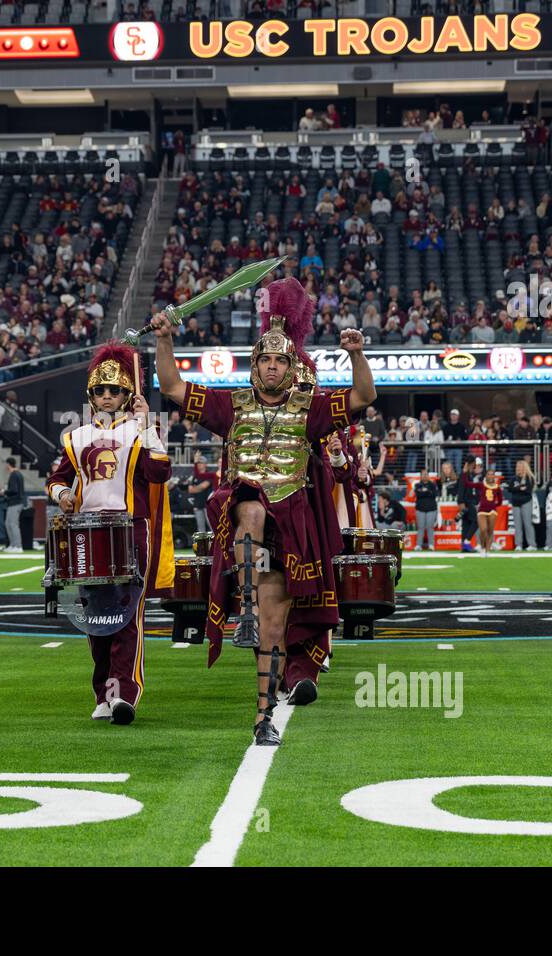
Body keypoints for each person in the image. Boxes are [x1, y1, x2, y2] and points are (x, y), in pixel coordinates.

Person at [152, 276, 375, 746]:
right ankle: (245, 607)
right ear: (254, 366)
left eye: (279, 360)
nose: (272, 367)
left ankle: (263, 717)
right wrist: (165, 340)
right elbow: (170, 386)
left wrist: (356, 355)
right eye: (265, 360)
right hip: (245, 517)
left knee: (275, 627)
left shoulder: (309, 408)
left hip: (290, 527)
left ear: (291, 367)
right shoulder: (228, 405)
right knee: (249, 505)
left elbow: (362, 399)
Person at [44, 343, 174, 726]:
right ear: (91, 395)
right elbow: (56, 480)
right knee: (96, 618)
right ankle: (103, 692)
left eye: (114, 390)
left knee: (127, 615)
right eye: (100, 391)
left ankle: (125, 694)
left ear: (127, 394)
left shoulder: (142, 429)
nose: (107, 397)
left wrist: (149, 427)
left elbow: (160, 473)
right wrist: (64, 494)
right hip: (87, 533)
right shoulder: (77, 435)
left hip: (130, 529)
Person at [508, 459, 537, 551]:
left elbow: (528, 490)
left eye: (520, 467)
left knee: (527, 523)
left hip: (526, 502)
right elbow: (510, 488)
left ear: (524, 468)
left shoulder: (529, 478)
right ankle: (518, 545)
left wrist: (517, 488)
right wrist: (520, 488)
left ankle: (532, 544)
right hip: (515, 503)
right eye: (517, 467)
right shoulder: (514, 478)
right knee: (517, 525)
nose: (518, 469)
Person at [0, 457, 26, 552]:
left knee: (13, 524)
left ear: (8, 464)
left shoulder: (14, 474)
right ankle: (12, 545)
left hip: (16, 503)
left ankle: (18, 546)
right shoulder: (18, 474)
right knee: (8, 523)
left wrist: (4, 492)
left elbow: (14, 490)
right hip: (14, 503)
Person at [476, 470, 503, 554]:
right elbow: (470, 485)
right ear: (486, 476)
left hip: (492, 510)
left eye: (492, 475)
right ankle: (482, 546)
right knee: (483, 529)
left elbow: (500, 500)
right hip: (482, 510)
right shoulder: (481, 484)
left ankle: (487, 550)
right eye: (489, 474)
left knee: (490, 530)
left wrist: (494, 505)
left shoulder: (497, 487)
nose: (491, 476)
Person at [188, 451, 215, 533]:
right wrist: (197, 488)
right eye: (198, 463)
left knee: (212, 526)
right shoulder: (194, 476)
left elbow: (202, 487)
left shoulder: (209, 474)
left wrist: (196, 488)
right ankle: (202, 545)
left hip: (207, 505)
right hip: (198, 504)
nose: (199, 465)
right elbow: (190, 490)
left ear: (205, 464)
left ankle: (215, 545)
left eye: (201, 463)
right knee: (200, 529)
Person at [413, 466, 438, 550]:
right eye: (423, 474)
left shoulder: (433, 485)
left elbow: (434, 494)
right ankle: (418, 545)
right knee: (420, 527)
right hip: (420, 509)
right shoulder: (417, 485)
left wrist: (424, 491)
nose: (425, 475)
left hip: (431, 508)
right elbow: (418, 494)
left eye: (426, 474)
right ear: (420, 475)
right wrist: (427, 492)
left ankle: (431, 545)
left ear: (428, 475)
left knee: (430, 527)